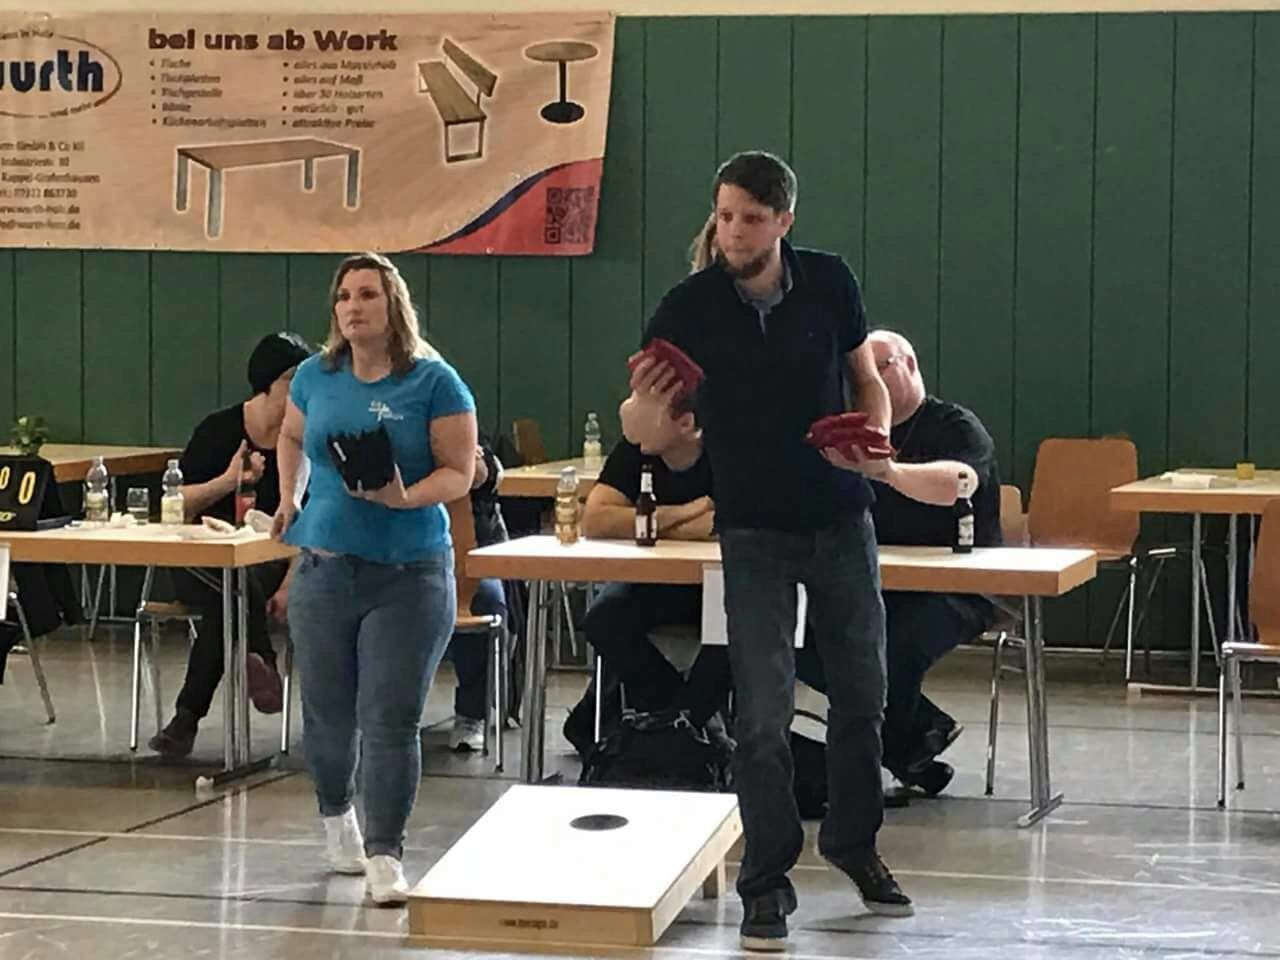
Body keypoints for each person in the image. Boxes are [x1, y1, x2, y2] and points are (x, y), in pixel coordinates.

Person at [630, 151, 912, 951]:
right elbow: (649, 430)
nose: (734, 232)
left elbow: (867, 381)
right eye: (724, 216)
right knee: (761, 712)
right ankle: (765, 882)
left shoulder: (829, 281)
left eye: (752, 219)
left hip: (841, 515)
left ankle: (854, 844)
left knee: (864, 695)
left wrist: (874, 440)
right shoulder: (689, 305)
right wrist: (651, 414)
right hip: (751, 527)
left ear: (784, 221)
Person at [273, 252, 477, 906]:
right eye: (343, 296)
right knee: (329, 713)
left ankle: (387, 851)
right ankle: (338, 816)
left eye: (367, 294)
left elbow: (460, 471)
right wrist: (289, 495)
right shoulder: (315, 376)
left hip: (409, 573)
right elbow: (290, 436)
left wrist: (405, 497)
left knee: (390, 716)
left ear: (394, 305)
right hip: (325, 567)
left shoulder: (435, 382)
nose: (353, 307)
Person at [149, 332, 311, 758]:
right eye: (293, 379)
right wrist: (226, 481)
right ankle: (261, 656)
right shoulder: (218, 430)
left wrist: (290, 583)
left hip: (267, 565)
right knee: (231, 588)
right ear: (266, 384)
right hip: (201, 560)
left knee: (233, 598)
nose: (304, 390)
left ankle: (185, 721)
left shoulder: (304, 440)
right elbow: (174, 504)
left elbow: (314, 519)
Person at [854, 330, 1001, 797]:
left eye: (880, 370)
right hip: (880, 582)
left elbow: (961, 481)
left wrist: (889, 472)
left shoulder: (955, 426)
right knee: (804, 636)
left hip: (960, 588)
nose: (869, 383)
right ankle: (919, 735)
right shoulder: (855, 432)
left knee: (894, 646)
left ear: (910, 365)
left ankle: (876, 763)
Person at [563, 376, 729, 756]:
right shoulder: (637, 448)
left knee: (737, 632)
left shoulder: (728, 450)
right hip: (652, 581)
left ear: (685, 423)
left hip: (718, 587)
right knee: (603, 619)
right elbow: (595, 520)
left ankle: (685, 727)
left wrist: (644, 520)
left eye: (644, 402)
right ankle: (689, 725)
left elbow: (725, 524)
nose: (629, 409)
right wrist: (688, 511)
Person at [444, 434, 509, 752]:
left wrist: (471, 463)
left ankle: (472, 713)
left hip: (467, 558)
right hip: (390, 557)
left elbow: (488, 474)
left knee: (486, 599)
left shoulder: (457, 422)